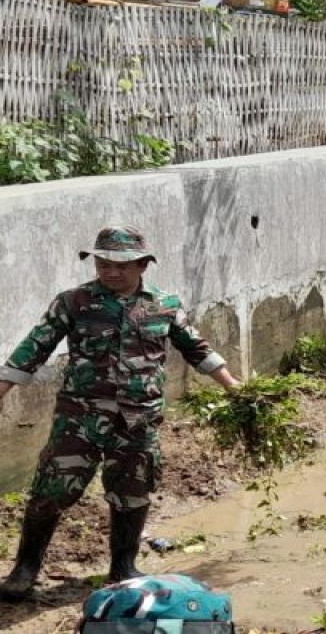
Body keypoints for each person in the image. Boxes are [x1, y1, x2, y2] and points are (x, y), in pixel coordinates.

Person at [0, 226, 240, 602]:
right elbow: (37, 344)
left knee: (132, 492)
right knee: (52, 488)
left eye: (122, 265)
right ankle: (24, 570)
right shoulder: (73, 302)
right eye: (103, 263)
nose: (111, 272)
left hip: (138, 420)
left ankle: (123, 567)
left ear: (143, 264)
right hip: (79, 417)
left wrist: (233, 386)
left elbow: (196, 347)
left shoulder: (163, 304)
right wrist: (2, 387)